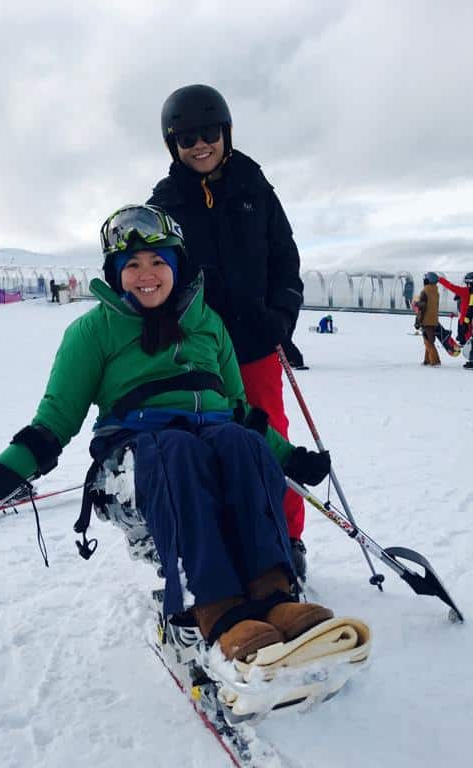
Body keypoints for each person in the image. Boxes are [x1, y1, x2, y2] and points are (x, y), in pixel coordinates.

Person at [0, 204, 366, 675]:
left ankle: (273, 595)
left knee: (240, 444)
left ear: (178, 265)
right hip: (137, 459)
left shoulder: (209, 324)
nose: (147, 275)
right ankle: (214, 608)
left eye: (159, 261)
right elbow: (53, 423)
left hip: (215, 440)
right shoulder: (92, 332)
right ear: (116, 274)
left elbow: (242, 412)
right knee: (178, 449)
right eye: (133, 266)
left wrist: (291, 457)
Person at [147, 84, 310, 577]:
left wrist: (282, 316)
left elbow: (285, 258)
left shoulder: (254, 188)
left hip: (257, 342)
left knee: (269, 436)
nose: (200, 144)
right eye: (186, 137)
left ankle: (287, 537)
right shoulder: (165, 202)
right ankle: (224, 542)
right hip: (197, 350)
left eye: (209, 133)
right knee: (207, 441)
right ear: (172, 144)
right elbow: (154, 273)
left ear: (227, 133)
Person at [437, 273, 473, 344]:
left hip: (465, 319)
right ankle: (463, 339)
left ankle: (464, 341)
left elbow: (451, 287)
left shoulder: (465, 291)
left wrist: (440, 279)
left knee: (464, 333)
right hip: (471, 319)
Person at [417, 272, 441, 366]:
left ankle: (435, 361)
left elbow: (422, 307)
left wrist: (418, 321)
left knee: (429, 342)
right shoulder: (436, 291)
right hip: (434, 319)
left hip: (426, 320)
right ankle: (427, 360)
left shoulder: (425, 291)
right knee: (428, 340)